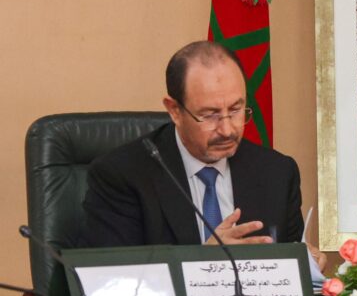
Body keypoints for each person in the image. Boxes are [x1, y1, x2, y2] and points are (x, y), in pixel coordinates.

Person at [82, 41, 326, 271]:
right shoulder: (122, 175)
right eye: (210, 115)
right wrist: (202, 263)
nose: (227, 130)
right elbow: (115, 280)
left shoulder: (277, 173)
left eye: (236, 110)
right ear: (174, 110)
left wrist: (306, 264)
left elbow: (288, 264)